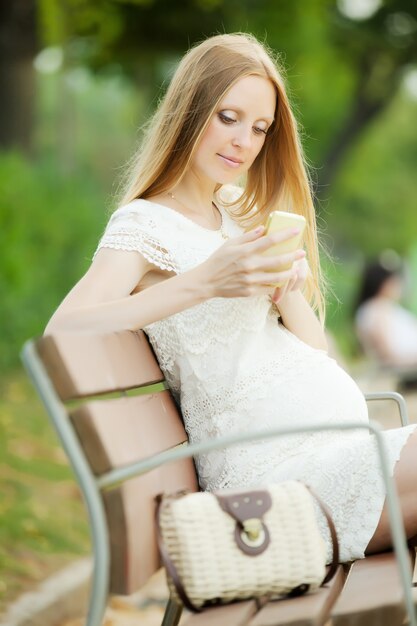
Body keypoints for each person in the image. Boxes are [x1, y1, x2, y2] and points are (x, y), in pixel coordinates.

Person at [45, 32, 417, 564]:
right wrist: (205, 281)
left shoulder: (238, 213)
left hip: (329, 450)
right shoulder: (145, 223)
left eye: (260, 128)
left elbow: (317, 352)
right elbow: (64, 332)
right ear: (191, 110)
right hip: (272, 489)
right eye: (228, 117)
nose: (244, 140)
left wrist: (287, 291)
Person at [355, 251, 417, 368]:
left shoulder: (388, 307)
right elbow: (386, 353)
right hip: (404, 368)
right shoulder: (376, 309)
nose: (399, 286)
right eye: (394, 281)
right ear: (383, 284)